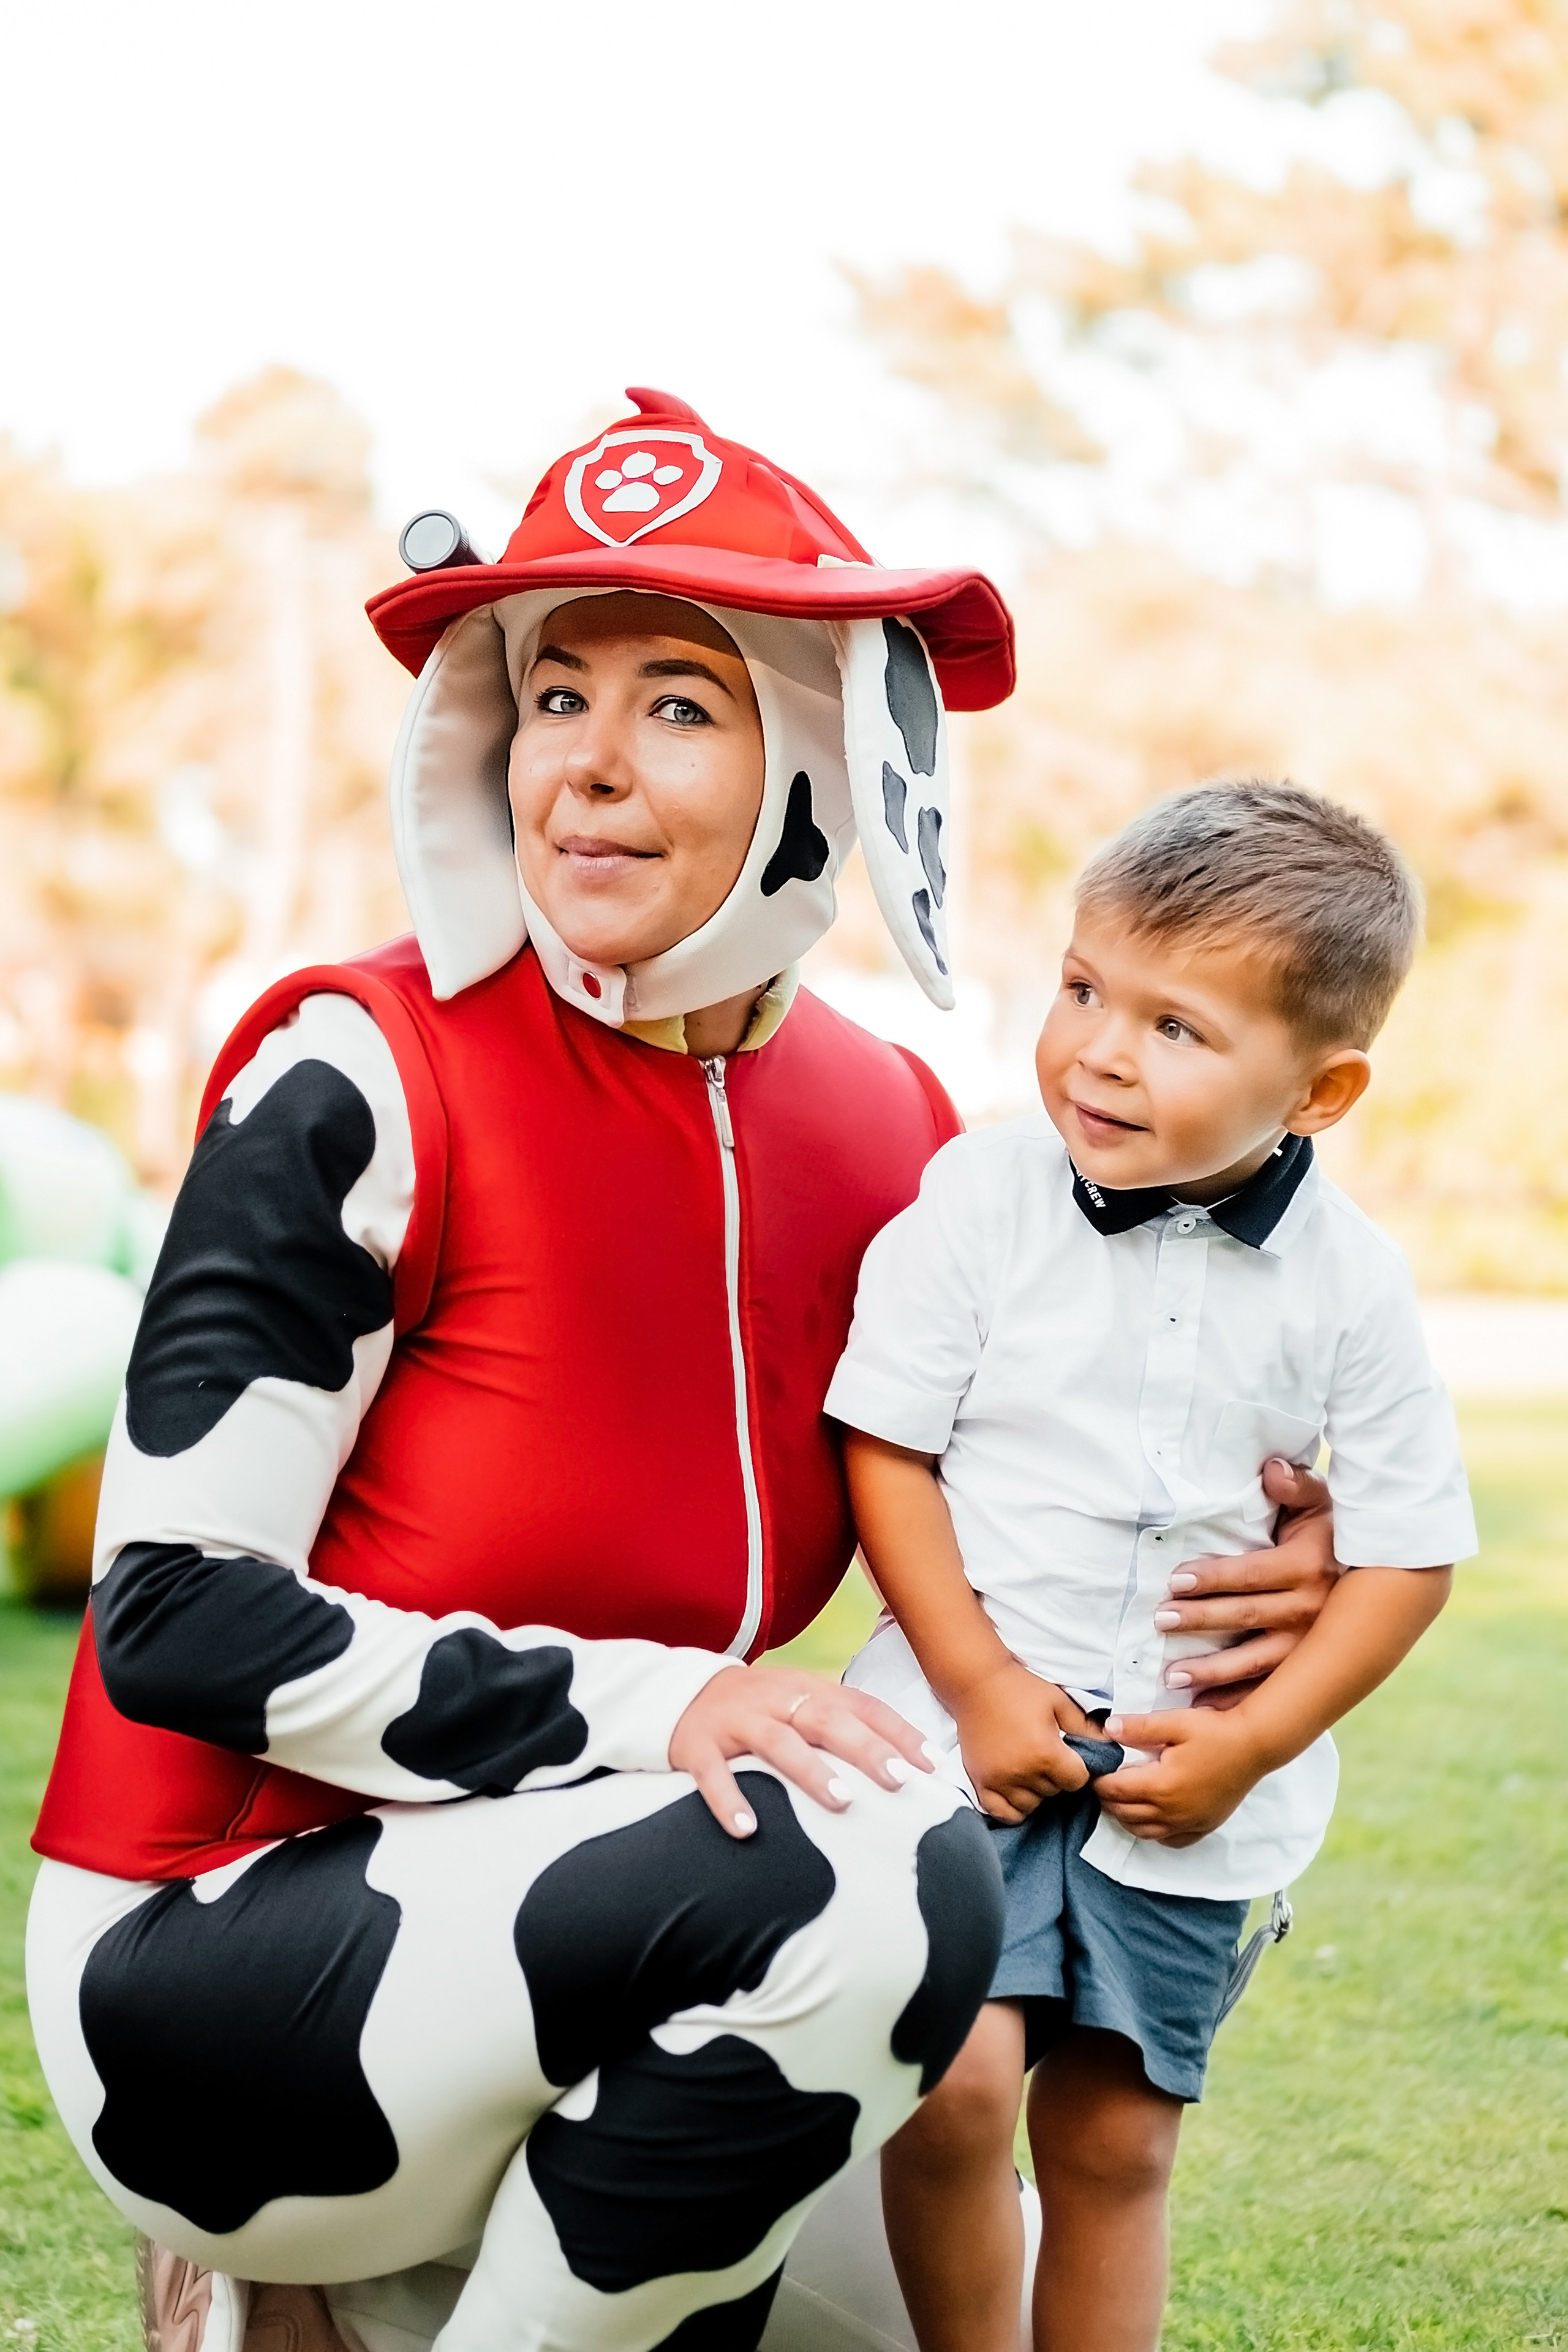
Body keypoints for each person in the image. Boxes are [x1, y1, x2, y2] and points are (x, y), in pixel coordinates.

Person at [24, 394, 1339, 2352]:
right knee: (867, 1885)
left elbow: (1046, 1483)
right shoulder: (355, 1069)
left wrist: (1274, 1559)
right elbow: (173, 1620)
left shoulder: (894, 1127)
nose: (590, 772)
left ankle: (411, 2297)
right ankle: (289, 2267)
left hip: (639, 1927)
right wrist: (672, 1709)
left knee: (936, 2236)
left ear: (829, 751)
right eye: (555, 698)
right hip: (215, 1958)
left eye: (680, 705)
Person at [827, 783, 1479, 2352]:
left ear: (1317, 1094)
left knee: (1118, 2144)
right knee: (955, 2083)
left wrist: (1249, 1746)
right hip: (957, 1736)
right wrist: (976, 1685)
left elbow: (1404, 1555)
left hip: (1194, 1781)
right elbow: (886, 1450)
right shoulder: (979, 1199)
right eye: (1079, 989)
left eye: (1175, 1029)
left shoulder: (1353, 1282)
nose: (1099, 1050)